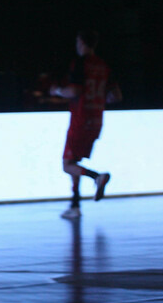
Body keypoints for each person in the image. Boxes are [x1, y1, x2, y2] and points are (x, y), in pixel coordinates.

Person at [50, 29, 122, 219]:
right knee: (75, 162)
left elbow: (74, 91)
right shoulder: (104, 66)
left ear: (81, 42)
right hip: (97, 120)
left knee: (67, 165)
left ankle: (97, 177)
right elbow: (116, 96)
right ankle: (75, 205)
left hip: (81, 119)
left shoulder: (80, 64)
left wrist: (57, 90)